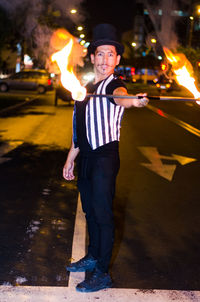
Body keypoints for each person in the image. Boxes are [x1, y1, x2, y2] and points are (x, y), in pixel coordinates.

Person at [63, 23, 148, 293]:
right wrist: (70, 159)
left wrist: (135, 101)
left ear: (117, 60)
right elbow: (79, 130)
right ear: (92, 57)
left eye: (110, 54)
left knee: (102, 215)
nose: (105, 60)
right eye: (100, 54)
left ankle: (102, 273)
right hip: (86, 158)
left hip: (105, 158)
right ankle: (93, 256)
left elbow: (122, 99)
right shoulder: (83, 90)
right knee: (89, 212)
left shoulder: (116, 86)